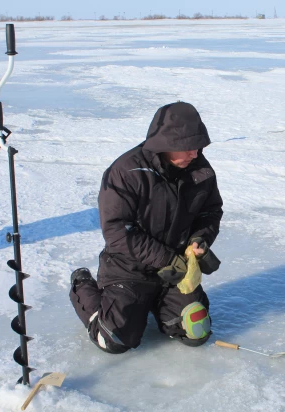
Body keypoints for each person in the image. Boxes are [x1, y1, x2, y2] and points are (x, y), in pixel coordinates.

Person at [69, 101, 223, 354]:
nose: (195, 154)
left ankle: (158, 305)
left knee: (196, 332)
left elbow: (211, 211)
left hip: (176, 270)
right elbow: (117, 231)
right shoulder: (126, 172)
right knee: (114, 339)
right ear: (168, 144)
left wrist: (200, 239)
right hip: (130, 268)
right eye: (188, 148)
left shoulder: (200, 170)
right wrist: (165, 258)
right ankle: (82, 284)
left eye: (199, 147)